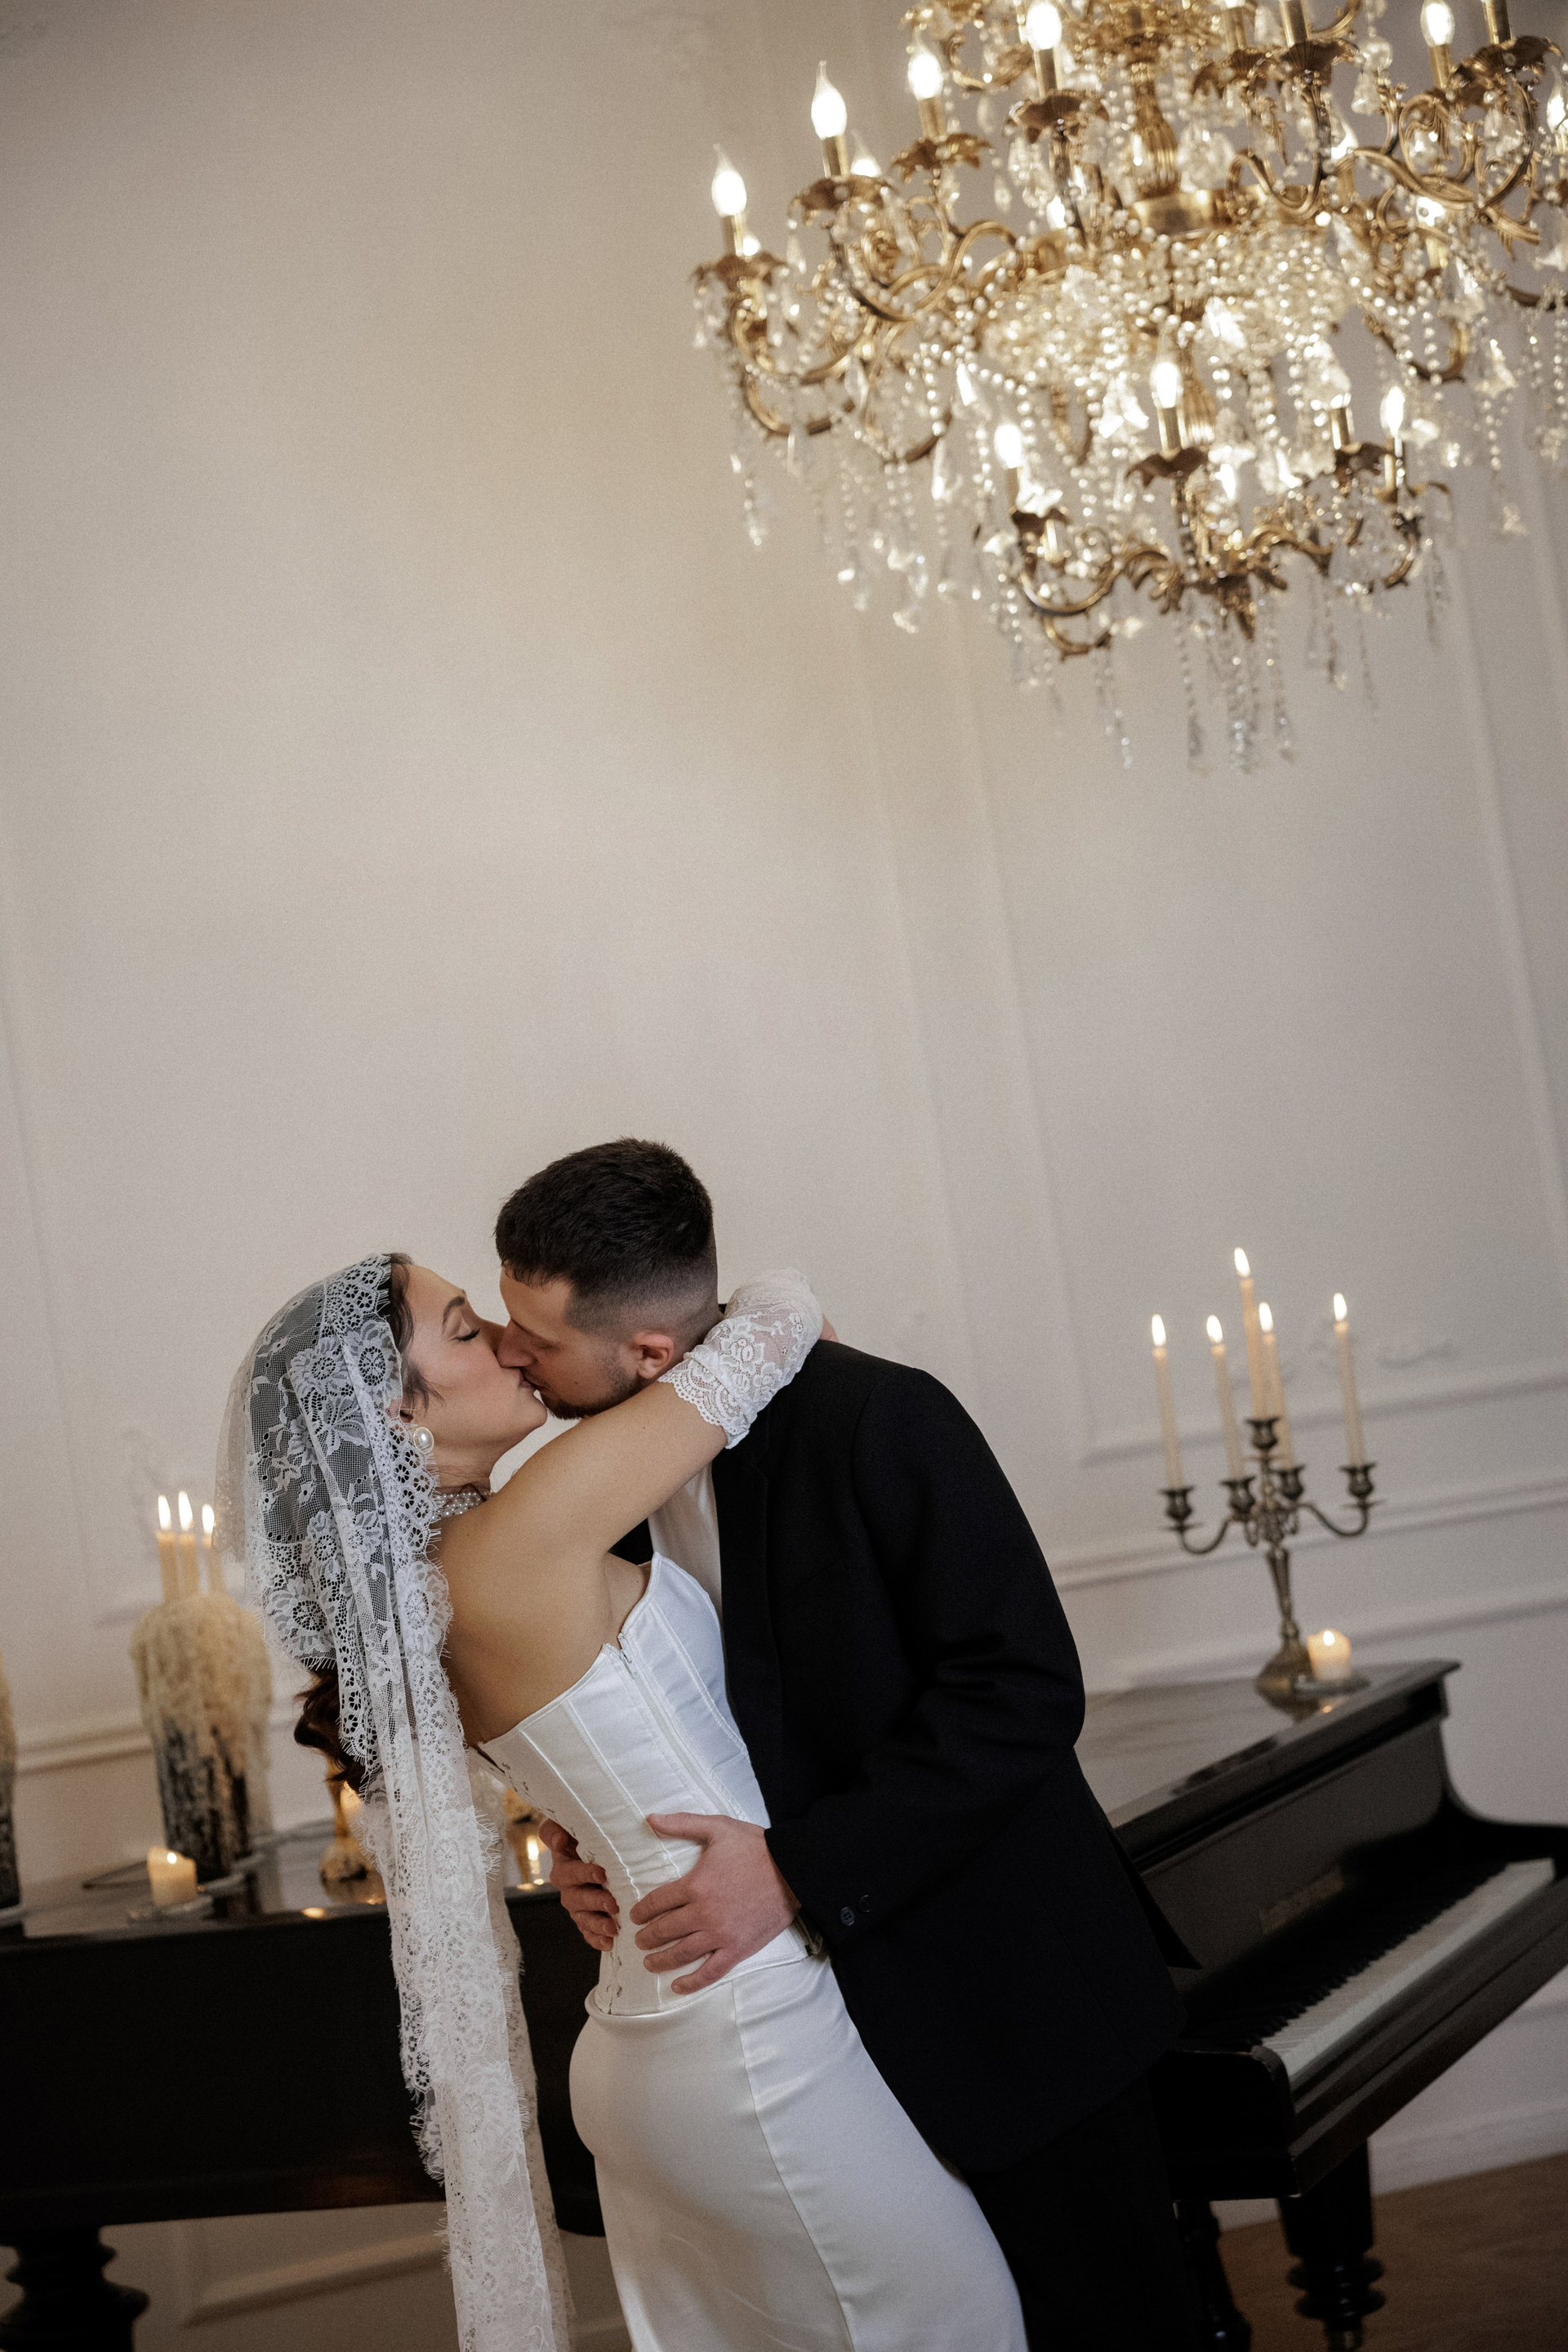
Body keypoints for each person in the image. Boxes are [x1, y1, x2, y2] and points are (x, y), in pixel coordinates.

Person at [220, 1250, 1025, 2352]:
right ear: (397, 1415)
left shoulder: (432, 1595)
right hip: (751, 2031)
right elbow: (766, 1333)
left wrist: (583, 1842)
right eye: (466, 1331)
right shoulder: (524, 1534)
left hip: (654, 2031)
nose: (509, 1344)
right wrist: (774, 1298)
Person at [497, 1138, 1201, 2352]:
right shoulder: (596, 1485)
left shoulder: (881, 1415)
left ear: (650, 1354)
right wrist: (588, 1842)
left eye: (537, 1337)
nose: (514, 1354)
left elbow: (1020, 1691)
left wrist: (794, 1871)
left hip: (1007, 1991)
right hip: (814, 2044)